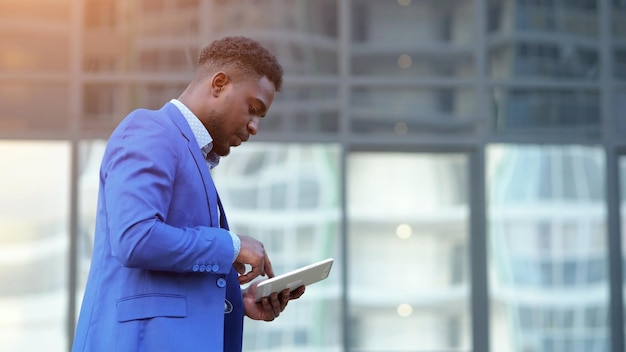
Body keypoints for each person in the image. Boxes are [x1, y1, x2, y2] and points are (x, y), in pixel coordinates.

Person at [72, 36, 305, 352]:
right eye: (252, 109)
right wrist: (232, 245)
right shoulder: (149, 130)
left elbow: (171, 272)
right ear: (219, 84)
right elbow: (135, 239)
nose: (254, 127)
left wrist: (238, 298)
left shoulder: (191, 156)